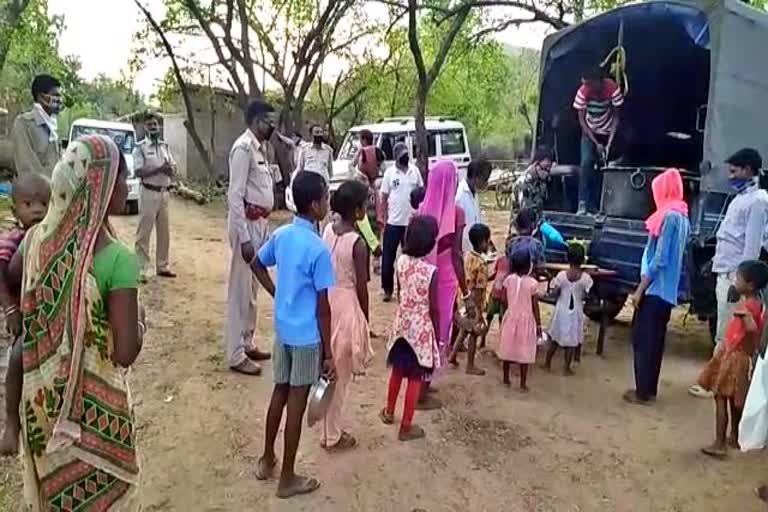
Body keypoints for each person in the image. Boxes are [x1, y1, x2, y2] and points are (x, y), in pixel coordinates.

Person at [11, 135, 143, 509]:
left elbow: (13, 273)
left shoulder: (36, 240)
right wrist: (142, 323)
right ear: (98, 182)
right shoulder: (118, 260)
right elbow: (125, 352)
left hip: (43, 408)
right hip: (96, 421)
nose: (125, 184)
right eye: (121, 176)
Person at [250, 171, 336, 499]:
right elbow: (323, 309)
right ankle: (287, 477)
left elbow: (256, 262)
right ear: (315, 205)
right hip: (306, 338)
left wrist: (277, 293)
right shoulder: (317, 249)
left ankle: (267, 457)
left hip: (283, 331)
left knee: (278, 394)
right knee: (296, 405)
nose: (328, 203)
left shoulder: (283, 235)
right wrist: (328, 353)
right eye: (326, 198)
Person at [690, 149, 768, 398]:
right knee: (724, 331)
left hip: (735, 277)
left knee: (727, 333)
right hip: (725, 272)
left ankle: (714, 383)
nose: (730, 176)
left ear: (748, 170)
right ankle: (714, 380)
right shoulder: (741, 198)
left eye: (734, 171)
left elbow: (751, 246)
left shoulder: (758, 201)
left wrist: (741, 282)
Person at [625, 168, 691, 404]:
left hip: (654, 289)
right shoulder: (683, 217)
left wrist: (640, 289)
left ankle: (642, 391)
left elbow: (660, 260)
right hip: (668, 292)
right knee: (656, 342)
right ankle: (649, 389)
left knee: (643, 339)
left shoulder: (667, 217)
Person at [321, 180, 374, 451]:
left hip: (326, 301)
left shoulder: (328, 230)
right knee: (340, 377)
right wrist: (365, 318)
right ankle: (331, 435)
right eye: (365, 203)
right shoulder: (358, 243)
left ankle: (326, 426)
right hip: (346, 306)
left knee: (329, 368)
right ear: (357, 210)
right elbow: (362, 287)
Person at [0, 173, 51, 455]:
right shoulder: (14, 239)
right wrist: (10, 310)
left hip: (50, 314)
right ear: (14, 209)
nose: (37, 210)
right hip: (25, 318)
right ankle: (11, 424)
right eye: (29, 203)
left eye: (44, 203)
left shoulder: (51, 237)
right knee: (18, 357)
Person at [224, 99, 275, 376]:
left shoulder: (260, 149)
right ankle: (235, 353)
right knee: (240, 289)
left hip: (261, 224)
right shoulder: (243, 149)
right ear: (257, 121)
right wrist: (244, 238)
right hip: (247, 224)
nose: (273, 126)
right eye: (269, 121)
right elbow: (235, 194)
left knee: (253, 289)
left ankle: (247, 341)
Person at [698, 260, 768, 458]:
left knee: (721, 396)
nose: (735, 282)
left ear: (750, 284)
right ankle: (734, 436)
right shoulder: (758, 305)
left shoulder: (747, 306)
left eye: (738, 278)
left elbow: (753, 329)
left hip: (734, 356)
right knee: (733, 398)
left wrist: (744, 320)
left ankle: (719, 442)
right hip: (741, 356)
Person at [380, 215, 440, 441]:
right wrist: (435, 331)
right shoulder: (430, 272)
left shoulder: (401, 262)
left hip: (401, 326)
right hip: (420, 330)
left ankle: (388, 411)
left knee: (397, 370)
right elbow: (434, 308)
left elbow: (399, 292)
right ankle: (406, 426)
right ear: (430, 242)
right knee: (416, 377)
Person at [417, 160, 469, 407]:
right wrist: (466, 292)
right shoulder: (457, 213)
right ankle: (421, 390)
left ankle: (422, 382)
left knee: (423, 329)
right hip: (445, 280)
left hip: (422, 280)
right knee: (439, 330)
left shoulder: (421, 211)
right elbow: (457, 255)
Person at [573, 66, 624, 214]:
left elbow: (616, 117)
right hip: (589, 132)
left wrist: (609, 143)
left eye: (590, 83)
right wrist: (596, 143)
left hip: (608, 132)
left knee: (607, 166)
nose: (587, 86)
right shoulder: (583, 92)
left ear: (599, 81)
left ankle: (602, 206)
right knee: (586, 163)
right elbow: (582, 121)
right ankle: (582, 204)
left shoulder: (612, 89)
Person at [133, 112, 177, 282]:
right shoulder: (140, 148)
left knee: (164, 232)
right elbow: (138, 171)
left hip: (164, 193)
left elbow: (172, 167)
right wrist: (160, 169)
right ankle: (140, 269)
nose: (153, 127)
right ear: (145, 127)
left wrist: (171, 170)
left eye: (155, 125)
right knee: (144, 232)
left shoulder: (165, 147)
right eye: (150, 125)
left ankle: (162, 266)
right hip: (148, 193)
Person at [380, 142, 423, 302]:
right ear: (396, 156)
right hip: (393, 222)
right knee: (388, 259)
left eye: (406, 154)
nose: (405, 157)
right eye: (402, 155)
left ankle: (406, 289)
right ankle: (387, 289)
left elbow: (421, 192)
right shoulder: (390, 173)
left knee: (409, 258)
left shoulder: (415, 171)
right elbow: (383, 197)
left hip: (411, 223)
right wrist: (382, 217)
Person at [544, 243, 593, 375]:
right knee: (572, 341)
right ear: (583, 259)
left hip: (561, 309)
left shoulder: (561, 276)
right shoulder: (585, 279)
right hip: (576, 310)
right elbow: (588, 295)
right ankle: (566, 367)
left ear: (567, 258)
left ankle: (547, 363)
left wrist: (549, 294)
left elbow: (555, 292)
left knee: (555, 337)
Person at [449, 223, 491, 375]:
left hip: (464, 297)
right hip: (474, 301)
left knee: (464, 330)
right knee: (473, 332)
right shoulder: (481, 263)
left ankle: (452, 356)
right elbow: (479, 288)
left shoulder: (467, 256)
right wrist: (478, 309)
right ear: (482, 242)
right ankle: (470, 365)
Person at [498, 248, 541, 391]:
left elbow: (503, 300)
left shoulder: (508, 280)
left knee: (507, 349)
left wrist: (505, 315)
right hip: (527, 321)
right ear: (529, 265)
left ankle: (505, 379)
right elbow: (535, 307)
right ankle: (522, 384)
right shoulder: (533, 283)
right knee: (525, 352)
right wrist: (539, 326)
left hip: (510, 317)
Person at [11, 74, 62, 176]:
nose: (59, 100)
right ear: (41, 97)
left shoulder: (52, 127)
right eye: (55, 95)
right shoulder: (24, 123)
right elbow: (26, 167)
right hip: (34, 190)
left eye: (60, 96)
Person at [481, 235, 511, 349]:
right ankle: (483, 340)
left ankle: (501, 344)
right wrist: (486, 279)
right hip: (495, 294)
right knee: (488, 317)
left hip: (504, 297)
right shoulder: (500, 261)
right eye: (507, 246)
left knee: (501, 320)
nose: (508, 249)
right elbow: (495, 274)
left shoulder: (513, 263)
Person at [455, 159, 492, 253]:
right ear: (476, 178)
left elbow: (477, 218)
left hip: (476, 247)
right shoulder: (460, 197)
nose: (486, 184)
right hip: (466, 249)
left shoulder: (474, 193)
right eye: (485, 180)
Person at [511, 146, 554, 217]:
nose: (547, 171)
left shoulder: (541, 182)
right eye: (545, 167)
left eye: (550, 167)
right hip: (522, 226)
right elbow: (525, 214)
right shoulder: (523, 183)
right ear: (535, 164)